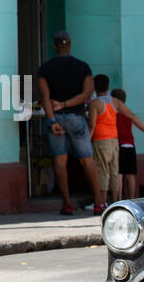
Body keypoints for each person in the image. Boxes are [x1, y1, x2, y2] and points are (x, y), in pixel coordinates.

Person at [36, 31, 101, 216]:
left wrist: (52, 120)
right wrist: (66, 104)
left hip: (56, 118)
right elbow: (87, 94)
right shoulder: (82, 67)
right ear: (70, 44)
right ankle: (99, 203)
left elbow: (45, 98)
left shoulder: (45, 69)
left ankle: (66, 204)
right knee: (87, 160)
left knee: (59, 161)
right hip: (76, 117)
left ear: (54, 45)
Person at [109, 86, 144, 201]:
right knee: (130, 174)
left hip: (119, 144)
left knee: (119, 174)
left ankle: (118, 198)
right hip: (130, 144)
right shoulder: (129, 114)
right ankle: (132, 198)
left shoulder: (113, 114)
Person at [87, 74, 119, 214]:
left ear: (94, 87)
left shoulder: (95, 103)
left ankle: (102, 201)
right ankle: (117, 201)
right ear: (108, 87)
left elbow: (92, 124)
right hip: (114, 140)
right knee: (114, 171)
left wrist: (87, 140)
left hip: (101, 140)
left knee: (102, 171)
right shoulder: (113, 102)